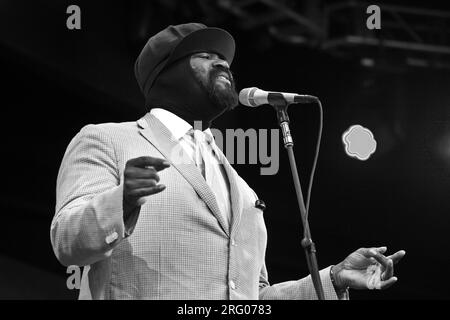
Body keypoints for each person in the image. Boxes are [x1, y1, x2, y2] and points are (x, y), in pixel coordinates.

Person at [50, 23, 405, 300]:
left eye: (223, 58)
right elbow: (67, 241)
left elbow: (253, 296)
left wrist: (331, 279)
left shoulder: (241, 187)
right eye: (203, 56)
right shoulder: (108, 139)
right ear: (166, 72)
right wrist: (120, 201)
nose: (222, 62)